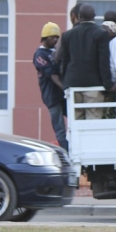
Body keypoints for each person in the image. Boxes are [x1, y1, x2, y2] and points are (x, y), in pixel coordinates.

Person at [58, 4, 116, 120]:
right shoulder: (101, 34)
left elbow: (65, 61)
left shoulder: (67, 35)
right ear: (94, 16)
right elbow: (103, 62)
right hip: (94, 84)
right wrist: (108, 84)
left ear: (79, 16)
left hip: (73, 83)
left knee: (76, 121)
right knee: (93, 120)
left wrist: (65, 82)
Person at [33, 22, 68, 150]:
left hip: (62, 95)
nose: (55, 39)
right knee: (60, 128)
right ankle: (66, 152)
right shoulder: (40, 55)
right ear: (45, 37)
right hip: (52, 97)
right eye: (52, 37)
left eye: (57, 37)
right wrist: (65, 88)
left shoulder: (56, 51)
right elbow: (52, 74)